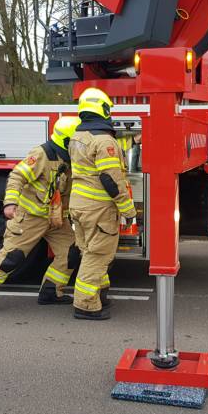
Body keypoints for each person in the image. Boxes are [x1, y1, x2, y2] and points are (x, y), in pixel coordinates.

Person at [0, 116, 82, 317]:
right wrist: (10, 202)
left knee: (71, 252)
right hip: (30, 218)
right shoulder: (41, 154)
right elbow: (17, 176)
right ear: (66, 141)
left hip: (55, 219)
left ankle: (51, 292)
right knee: (10, 259)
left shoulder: (67, 159)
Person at [69, 88, 137, 320]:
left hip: (79, 207)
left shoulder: (78, 137)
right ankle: (85, 305)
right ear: (103, 109)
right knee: (97, 256)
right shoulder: (104, 140)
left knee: (90, 251)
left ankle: (100, 294)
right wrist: (128, 210)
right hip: (98, 209)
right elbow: (110, 179)